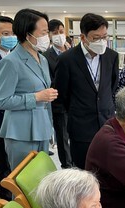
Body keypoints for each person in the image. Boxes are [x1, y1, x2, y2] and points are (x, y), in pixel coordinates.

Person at [55, 13, 118, 169]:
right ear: (83, 37)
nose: (102, 42)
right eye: (96, 38)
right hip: (81, 127)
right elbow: (61, 95)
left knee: (108, 170)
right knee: (84, 172)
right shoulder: (67, 59)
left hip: (107, 123)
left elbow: (112, 87)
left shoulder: (112, 56)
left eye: (105, 37)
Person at [0, 9, 57, 171]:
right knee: (24, 182)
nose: (47, 37)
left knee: (41, 181)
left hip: (42, 128)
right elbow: (1, 100)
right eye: (43, 32)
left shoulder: (42, 58)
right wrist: (36, 97)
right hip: (20, 132)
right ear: (28, 34)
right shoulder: (11, 62)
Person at [43, 19, 73, 169]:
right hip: (59, 103)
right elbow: (50, 81)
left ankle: (76, 164)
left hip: (75, 102)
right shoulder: (45, 56)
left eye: (61, 32)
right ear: (49, 35)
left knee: (75, 135)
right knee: (62, 138)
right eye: (55, 33)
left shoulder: (72, 51)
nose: (59, 35)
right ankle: (67, 166)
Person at [0, 16, 17, 201]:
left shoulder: (15, 54)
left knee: (14, 166)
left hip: (15, 122)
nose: (10, 37)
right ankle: (6, 203)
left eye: (12, 33)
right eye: (5, 34)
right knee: (1, 166)